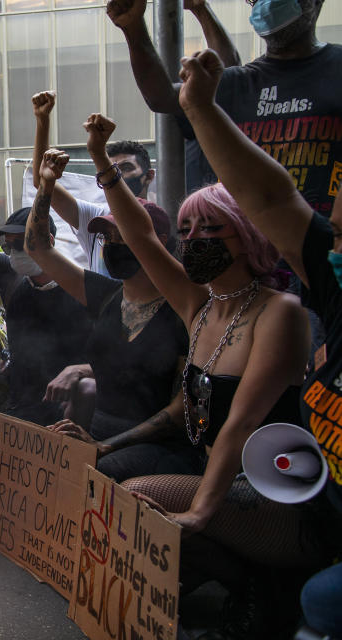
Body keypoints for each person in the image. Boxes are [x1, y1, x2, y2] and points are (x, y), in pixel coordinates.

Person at [172, 47, 342, 640]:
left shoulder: (285, 312)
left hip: (298, 507)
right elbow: (272, 198)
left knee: (320, 607)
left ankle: (260, 592)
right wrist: (199, 109)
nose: (333, 248)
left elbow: (242, 424)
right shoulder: (208, 302)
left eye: (207, 229)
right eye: (334, 233)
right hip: (233, 474)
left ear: (247, 239)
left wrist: (201, 510)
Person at [25, 149, 202, 483]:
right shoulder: (105, 294)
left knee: (93, 476)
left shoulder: (184, 310)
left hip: (159, 446)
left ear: (154, 241)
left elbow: (182, 410)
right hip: (101, 434)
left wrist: (104, 447)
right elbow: (38, 249)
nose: (111, 245)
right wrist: (45, 185)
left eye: (123, 237)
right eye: (107, 237)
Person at [106, 0, 340, 211]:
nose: (267, 4)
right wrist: (133, 28)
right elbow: (161, 96)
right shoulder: (239, 82)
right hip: (248, 247)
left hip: (324, 245)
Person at [0, 142, 93, 426]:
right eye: (10, 244)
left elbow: (114, 360)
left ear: (49, 243)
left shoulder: (81, 286)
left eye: (23, 244)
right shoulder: (11, 277)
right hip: (21, 409)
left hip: (65, 415)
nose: (14, 252)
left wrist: (80, 372)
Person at [31, 90, 156, 277]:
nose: (118, 176)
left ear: (149, 176)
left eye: (127, 167)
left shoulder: (160, 221)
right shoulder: (97, 219)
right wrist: (43, 120)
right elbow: (42, 183)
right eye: (112, 169)